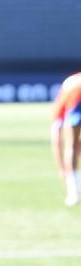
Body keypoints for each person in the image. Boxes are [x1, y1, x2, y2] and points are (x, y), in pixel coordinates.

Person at [49, 72, 81, 205]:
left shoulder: (70, 86)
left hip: (76, 97)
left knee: (71, 144)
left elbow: (57, 138)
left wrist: (62, 169)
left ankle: (74, 191)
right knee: (74, 144)